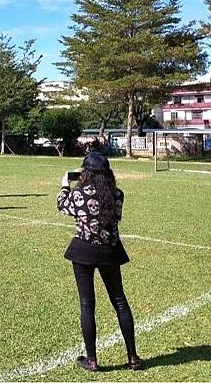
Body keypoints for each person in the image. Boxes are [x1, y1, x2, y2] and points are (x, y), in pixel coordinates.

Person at [57, 152, 141, 372]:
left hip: (83, 251)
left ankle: (92, 360)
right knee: (120, 301)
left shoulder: (79, 194)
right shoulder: (117, 195)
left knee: (87, 304)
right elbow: (117, 216)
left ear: (86, 173)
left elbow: (62, 205)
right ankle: (132, 356)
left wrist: (65, 186)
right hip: (110, 251)